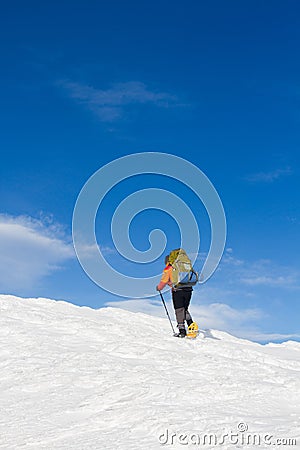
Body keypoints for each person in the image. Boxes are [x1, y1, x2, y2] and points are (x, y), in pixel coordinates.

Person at [156, 254, 195, 338]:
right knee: (185, 309)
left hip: (178, 291)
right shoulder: (184, 267)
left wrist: (159, 288)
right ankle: (191, 324)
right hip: (189, 290)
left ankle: (182, 331)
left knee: (179, 310)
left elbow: (164, 281)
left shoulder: (169, 268)